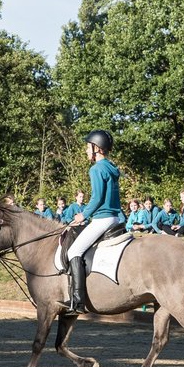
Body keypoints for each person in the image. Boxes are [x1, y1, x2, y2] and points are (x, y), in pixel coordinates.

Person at [63, 131, 121, 315]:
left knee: (74, 251)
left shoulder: (96, 169)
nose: (86, 151)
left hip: (102, 218)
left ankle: (78, 302)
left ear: (97, 149)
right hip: (115, 218)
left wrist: (83, 215)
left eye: (88, 147)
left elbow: (97, 199)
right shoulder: (111, 167)